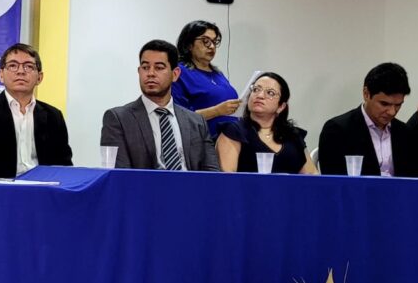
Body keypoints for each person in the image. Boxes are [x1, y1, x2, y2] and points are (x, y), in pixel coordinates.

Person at [100, 39, 219, 171]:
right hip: (143, 190)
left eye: (159, 68)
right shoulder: (118, 119)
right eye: (145, 67)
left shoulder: (196, 122)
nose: (150, 73)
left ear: (175, 74)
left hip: (190, 190)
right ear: (139, 72)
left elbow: (212, 174)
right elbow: (119, 176)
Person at [0, 43, 73, 178]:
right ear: (1, 75)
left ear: (39, 77)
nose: (20, 71)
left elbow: (64, 165)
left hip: (42, 189)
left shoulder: (53, 115)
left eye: (28, 66)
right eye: (13, 66)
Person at [318, 63, 418, 177]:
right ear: (366, 94)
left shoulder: (405, 133)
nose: (392, 112)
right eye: (384, 104)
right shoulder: (337, 130)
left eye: (398, 105)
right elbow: (334, 183)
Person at [216, 72, 317, 174]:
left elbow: (312, 178)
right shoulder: (234, 132)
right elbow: (228, 180)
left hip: (290, 190)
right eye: (256, 89)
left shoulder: (293, 136)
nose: (260, 95)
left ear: (281, 106)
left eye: (270, 93)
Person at [171, 20, 240, 138]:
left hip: (231, 141)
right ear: (189, 44)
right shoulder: (179, 73)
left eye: (214, 41)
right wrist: (217, 111)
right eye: (205, 41)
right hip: (202, 144)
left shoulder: (218, 74)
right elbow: (179, 117)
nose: (212, 46)